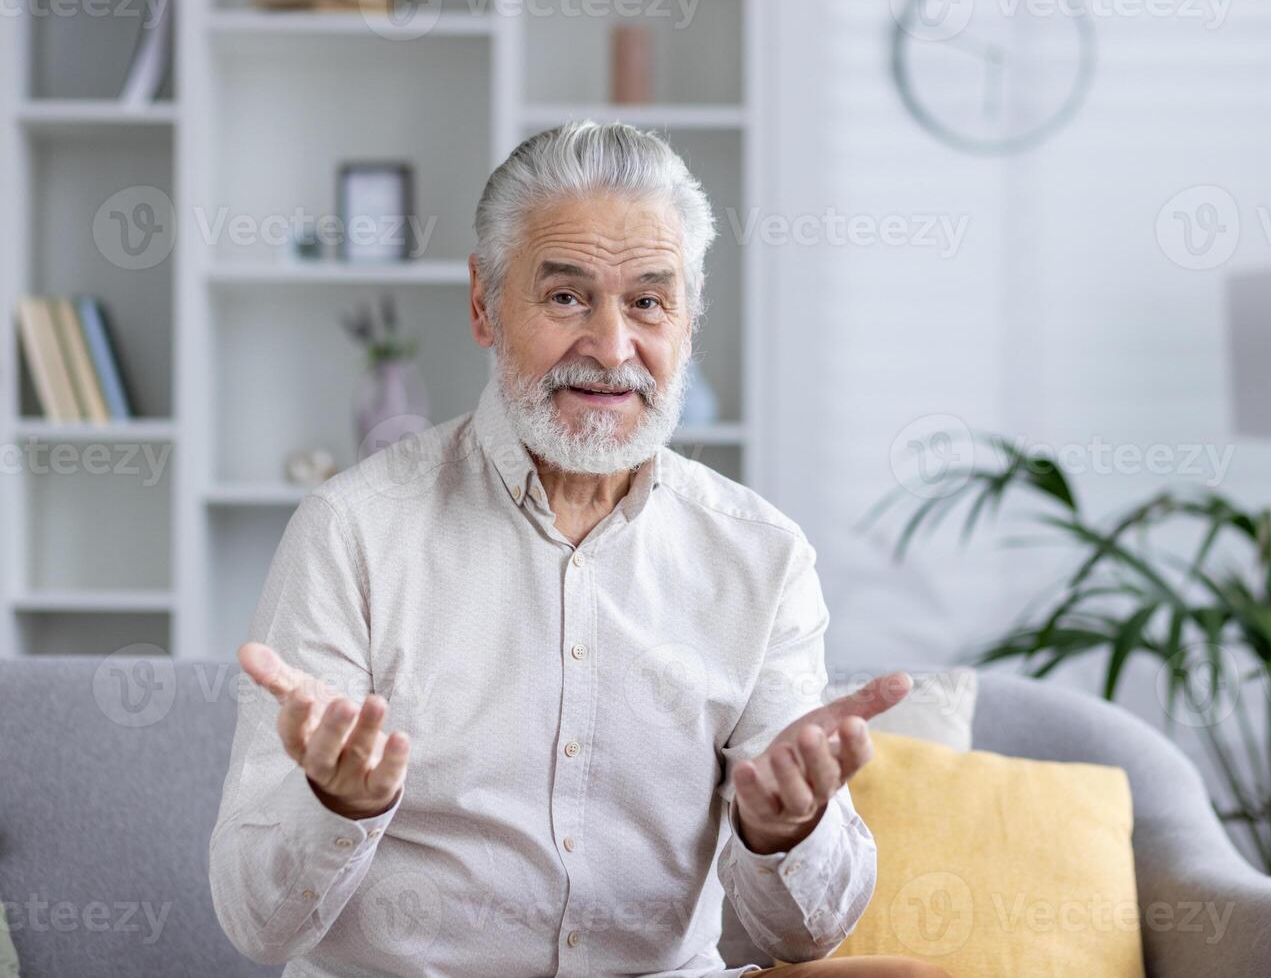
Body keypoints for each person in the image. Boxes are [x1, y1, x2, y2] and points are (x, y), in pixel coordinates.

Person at [209, 120, 950, 978]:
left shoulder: (764, 558)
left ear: (689, 315)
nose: (611, 347)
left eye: (647, 301)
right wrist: (334, 806)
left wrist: (785, 829)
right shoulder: (353, 532)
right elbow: (252, 925)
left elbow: (801, 937)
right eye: (566, 298)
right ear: (484, 304)